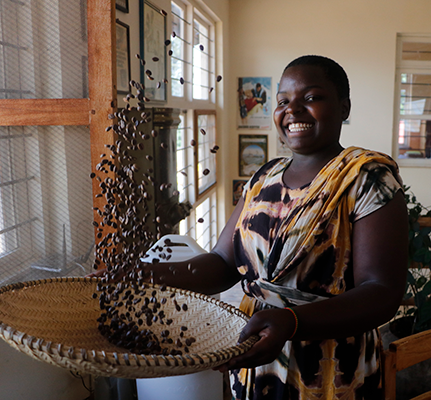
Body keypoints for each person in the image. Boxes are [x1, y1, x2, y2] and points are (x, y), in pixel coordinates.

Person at [144, 55, 408, 399]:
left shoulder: (367, 179)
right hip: (257, 358)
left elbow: (382, 293)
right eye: (283, 101)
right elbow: (223, 264)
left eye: (311, 98)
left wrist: (292, 323)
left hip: (332, 369)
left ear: (344, 107)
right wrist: (145, 276)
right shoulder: (263, 178)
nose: (293, 110)